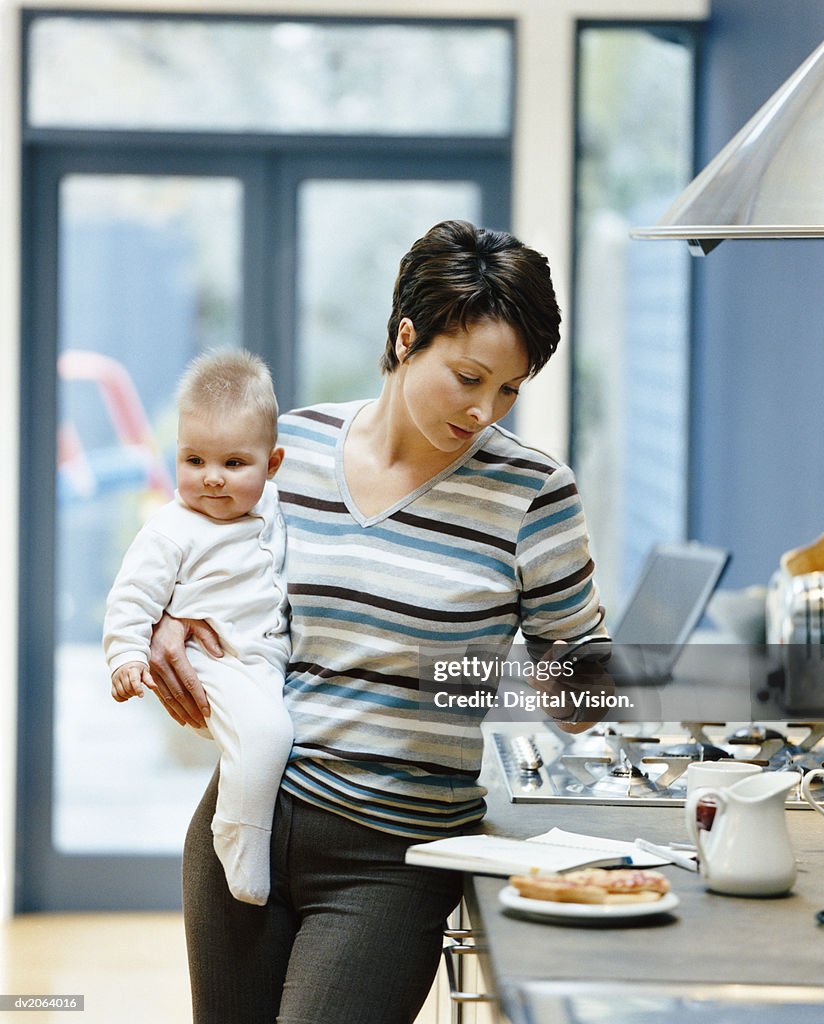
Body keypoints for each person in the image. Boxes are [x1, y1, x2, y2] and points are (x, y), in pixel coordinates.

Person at [148, 220, 608, 1024]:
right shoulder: (290, 445)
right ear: (406, 337)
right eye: (467, 377)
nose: (483, 410)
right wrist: (168, 623)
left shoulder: (533, 493)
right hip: (244, 817)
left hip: (393, 859)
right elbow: (194, 563)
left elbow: (584, 681)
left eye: (507, 390)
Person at [103, 349, 292, 907]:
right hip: (215, 662)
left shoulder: (277, 507)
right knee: (267, 736)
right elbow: (132, 595)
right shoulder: (172, 528)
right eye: (193, 460)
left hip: (264, 660)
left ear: (272, 464)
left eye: (234, 464)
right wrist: (125, 657)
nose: (211, 479)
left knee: (268, 733)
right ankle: (238, 838)